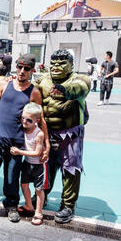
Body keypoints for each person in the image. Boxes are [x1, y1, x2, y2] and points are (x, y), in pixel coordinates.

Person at [0, 53, 49, 223]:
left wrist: (47, 145)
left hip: (17, 143)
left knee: (12, 177)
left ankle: (11, 206)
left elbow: (40, 118)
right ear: (16, 66)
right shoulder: (3, 83)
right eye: (19, 67)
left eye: (26, 68)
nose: (22, 71)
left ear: (32, 70)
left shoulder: (34, 92)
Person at [33, 49, 90, 224]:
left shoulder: (79, 80)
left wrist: (65, 90)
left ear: (71, 65)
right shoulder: (42, 80)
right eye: (54, 62)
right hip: (47, 132)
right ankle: (43, 196)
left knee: (70, 169)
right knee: (45, 167)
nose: (56, 66)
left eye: (62, 63)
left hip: (70, 133)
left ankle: (68, 205)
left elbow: (81, 88)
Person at [9, 102, 48, 226]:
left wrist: (19, 152)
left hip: (38, 165)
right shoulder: (23, 129)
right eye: (23, 118)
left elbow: (37, 153)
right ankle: (29, 205)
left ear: (36, 121)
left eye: (29, 120)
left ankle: (38, 212)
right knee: (24, 185)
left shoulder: (39, 133)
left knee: (39, 189)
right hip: (27, 163)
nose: (24, 122)